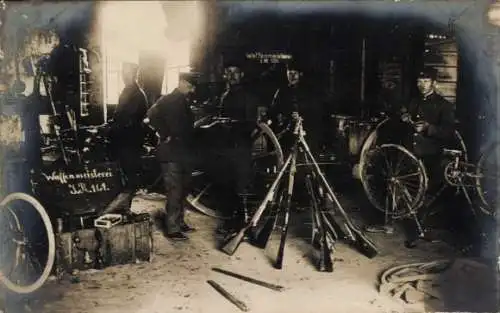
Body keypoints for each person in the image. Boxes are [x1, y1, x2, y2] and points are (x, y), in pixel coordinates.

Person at [366, 66, 456, 235]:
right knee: (391, 181)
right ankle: (387, 223)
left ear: (434, 83)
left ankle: (416, 229)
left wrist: (429, 128)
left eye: (426, 81)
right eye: (419, 81)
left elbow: (448, 132)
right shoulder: (413, 102)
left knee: (424, 191)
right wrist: (404, 117)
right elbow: (401, 117)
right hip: (407, 152)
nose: (422, 84)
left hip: (429, 154)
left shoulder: (444, 106)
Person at [146, 73, 198, 241]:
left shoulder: (183, 100)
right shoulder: (169, 99)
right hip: (170, 153)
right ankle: (172, 228)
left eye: (193, 87)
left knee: (183, 189)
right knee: (174, 190)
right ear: (181, 83)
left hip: (182, 153)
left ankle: (179, 221)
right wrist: (164, 132)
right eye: (190, 86)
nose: (192, 90)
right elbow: (150, 114)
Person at [212, 61, 259, 235]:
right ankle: (231, 223)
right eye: (228, 72)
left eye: (235, 72)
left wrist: (229, 125)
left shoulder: (248, 97)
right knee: (227, 186)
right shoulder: (225, 95)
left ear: (242, 75)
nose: (231, 75)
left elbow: (251, 125)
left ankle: (242, 224)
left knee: (240, 186)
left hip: (240, 148)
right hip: (225, 148)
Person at [106, 63, 149, 213]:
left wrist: (112, 128)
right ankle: (121, 207)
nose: (124, 75)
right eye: (122, 72)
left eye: (127, 73)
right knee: (121, 175)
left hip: (130, 142)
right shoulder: (126, 91)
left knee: (129, 176)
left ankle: (125, 209)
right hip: (122, 141)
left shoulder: (137, 94)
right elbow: (119, 116)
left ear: (134, 74)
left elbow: (128, 120)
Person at [268, 60, 324, 155]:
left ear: (300, 74)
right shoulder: (282, 91)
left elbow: (316, 111)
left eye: (295, 73)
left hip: (306, 131)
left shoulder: (309, 92)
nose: (292, 76)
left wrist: (302, 115)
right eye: (290, 73)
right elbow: (273, 110)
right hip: (286, 130)